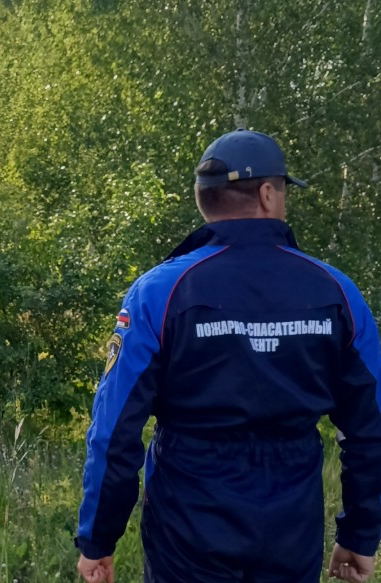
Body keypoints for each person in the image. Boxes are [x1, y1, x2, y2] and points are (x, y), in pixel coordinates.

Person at [75, 129, 381, 583]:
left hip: (188, 528)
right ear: (265, 194)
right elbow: (371, 427)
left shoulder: (159, 293)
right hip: (289, 529)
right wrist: (360, 534)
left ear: (204, 200)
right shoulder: (337, 293)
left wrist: (98, 540)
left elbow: (115, 430)